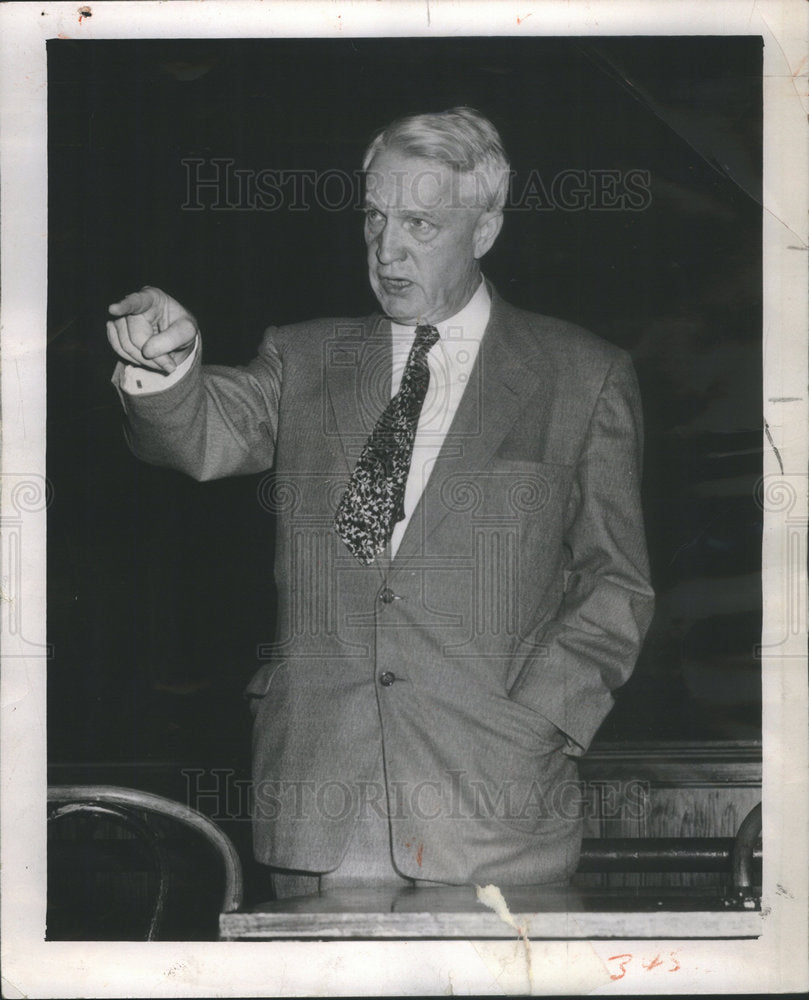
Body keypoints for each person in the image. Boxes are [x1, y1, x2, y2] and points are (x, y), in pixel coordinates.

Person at [107, 107, 654, 896]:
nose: (387, 250)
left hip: (493, 805)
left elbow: (616, 585)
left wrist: (540, 721)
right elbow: (199, 436)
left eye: (421, 224)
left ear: (486, 227)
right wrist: (169, 365)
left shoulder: (581, 374)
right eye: (375, 217)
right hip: (321, 806)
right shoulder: (304, 356)